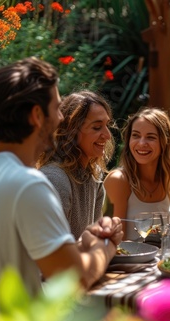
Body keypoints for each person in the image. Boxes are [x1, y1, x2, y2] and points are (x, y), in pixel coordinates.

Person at [0, 57, 123, 299]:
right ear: (37, 115)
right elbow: (75, 279)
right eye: (57, 108)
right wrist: (105, 247)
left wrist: (84, 244)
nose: (61, 119)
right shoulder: (28, 184)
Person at [37, 90, 115, 239]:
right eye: (97, 127)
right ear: (70, 131)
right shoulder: (55, 179)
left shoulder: (94, 176)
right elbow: (54, 252)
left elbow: (94, 240)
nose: (107, 135)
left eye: (107, 125)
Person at [104, 108, 170, 240]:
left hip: (163, 259)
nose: (142, 143)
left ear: (165, 142)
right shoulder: (119, 180)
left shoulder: (168, 178)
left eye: (150, 137)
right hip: (128, 260)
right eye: (136, 135)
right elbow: (117, 243)